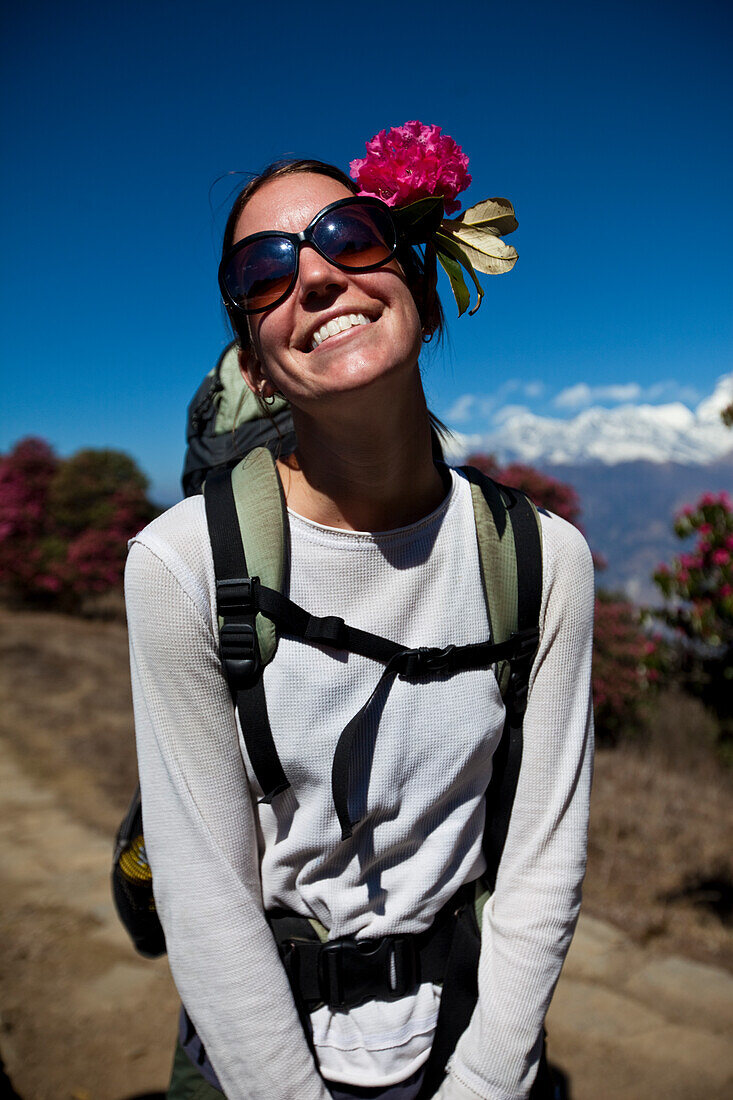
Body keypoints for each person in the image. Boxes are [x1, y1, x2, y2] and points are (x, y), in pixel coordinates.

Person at [124, 123, 594, 1100]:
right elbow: (205, 894)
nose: (316, 277)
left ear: (417, 290)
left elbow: (543, 859)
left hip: (466, 1042)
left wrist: (487, 1082)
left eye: (350, 234)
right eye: (263, 270)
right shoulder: (180, 565)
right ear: (253, 364)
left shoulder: (544, 561)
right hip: (259, 1060)